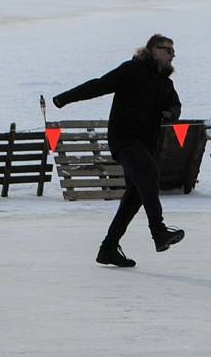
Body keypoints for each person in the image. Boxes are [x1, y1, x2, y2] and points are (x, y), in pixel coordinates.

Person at [53, 34, 184, 267]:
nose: (172, 55)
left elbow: (175, 104)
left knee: (134, 197)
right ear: (154, 50)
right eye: (168, 50)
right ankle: (159, 231)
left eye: (173, 51)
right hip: (124, 140)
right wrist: (64, 98)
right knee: (149, 174)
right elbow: (99, 85)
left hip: (145, 145)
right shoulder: (132, 70)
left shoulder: (166, 83)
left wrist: (171, 113)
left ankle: (108, 248)